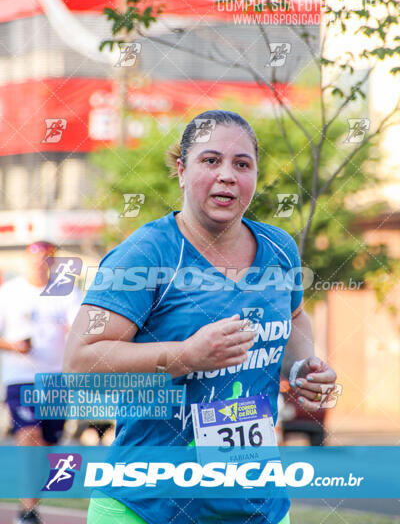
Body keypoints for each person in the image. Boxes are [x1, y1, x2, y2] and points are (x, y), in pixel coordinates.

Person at [63, 110, 337, 524]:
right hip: (148, 503)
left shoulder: (279, 250)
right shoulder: (147, 255)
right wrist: (186, 356)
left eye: (241, 164)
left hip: (252, 504)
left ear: (255, 175)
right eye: (210, 161)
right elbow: (80, 365)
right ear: (181, 170)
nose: (227, 175)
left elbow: (295, 319)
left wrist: (301, 366)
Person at [0, 240, 82, 524]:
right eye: (34, 258)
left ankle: (31, 502)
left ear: (53, 262)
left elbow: (79, 328)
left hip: (57, 379)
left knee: (48, 443)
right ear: (25, 260)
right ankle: (27, 512)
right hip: (21, 377)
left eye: (46, 258)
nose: (39, 263)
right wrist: (14, 346)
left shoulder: (67, 292)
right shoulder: (9, 293)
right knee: (29, 437)